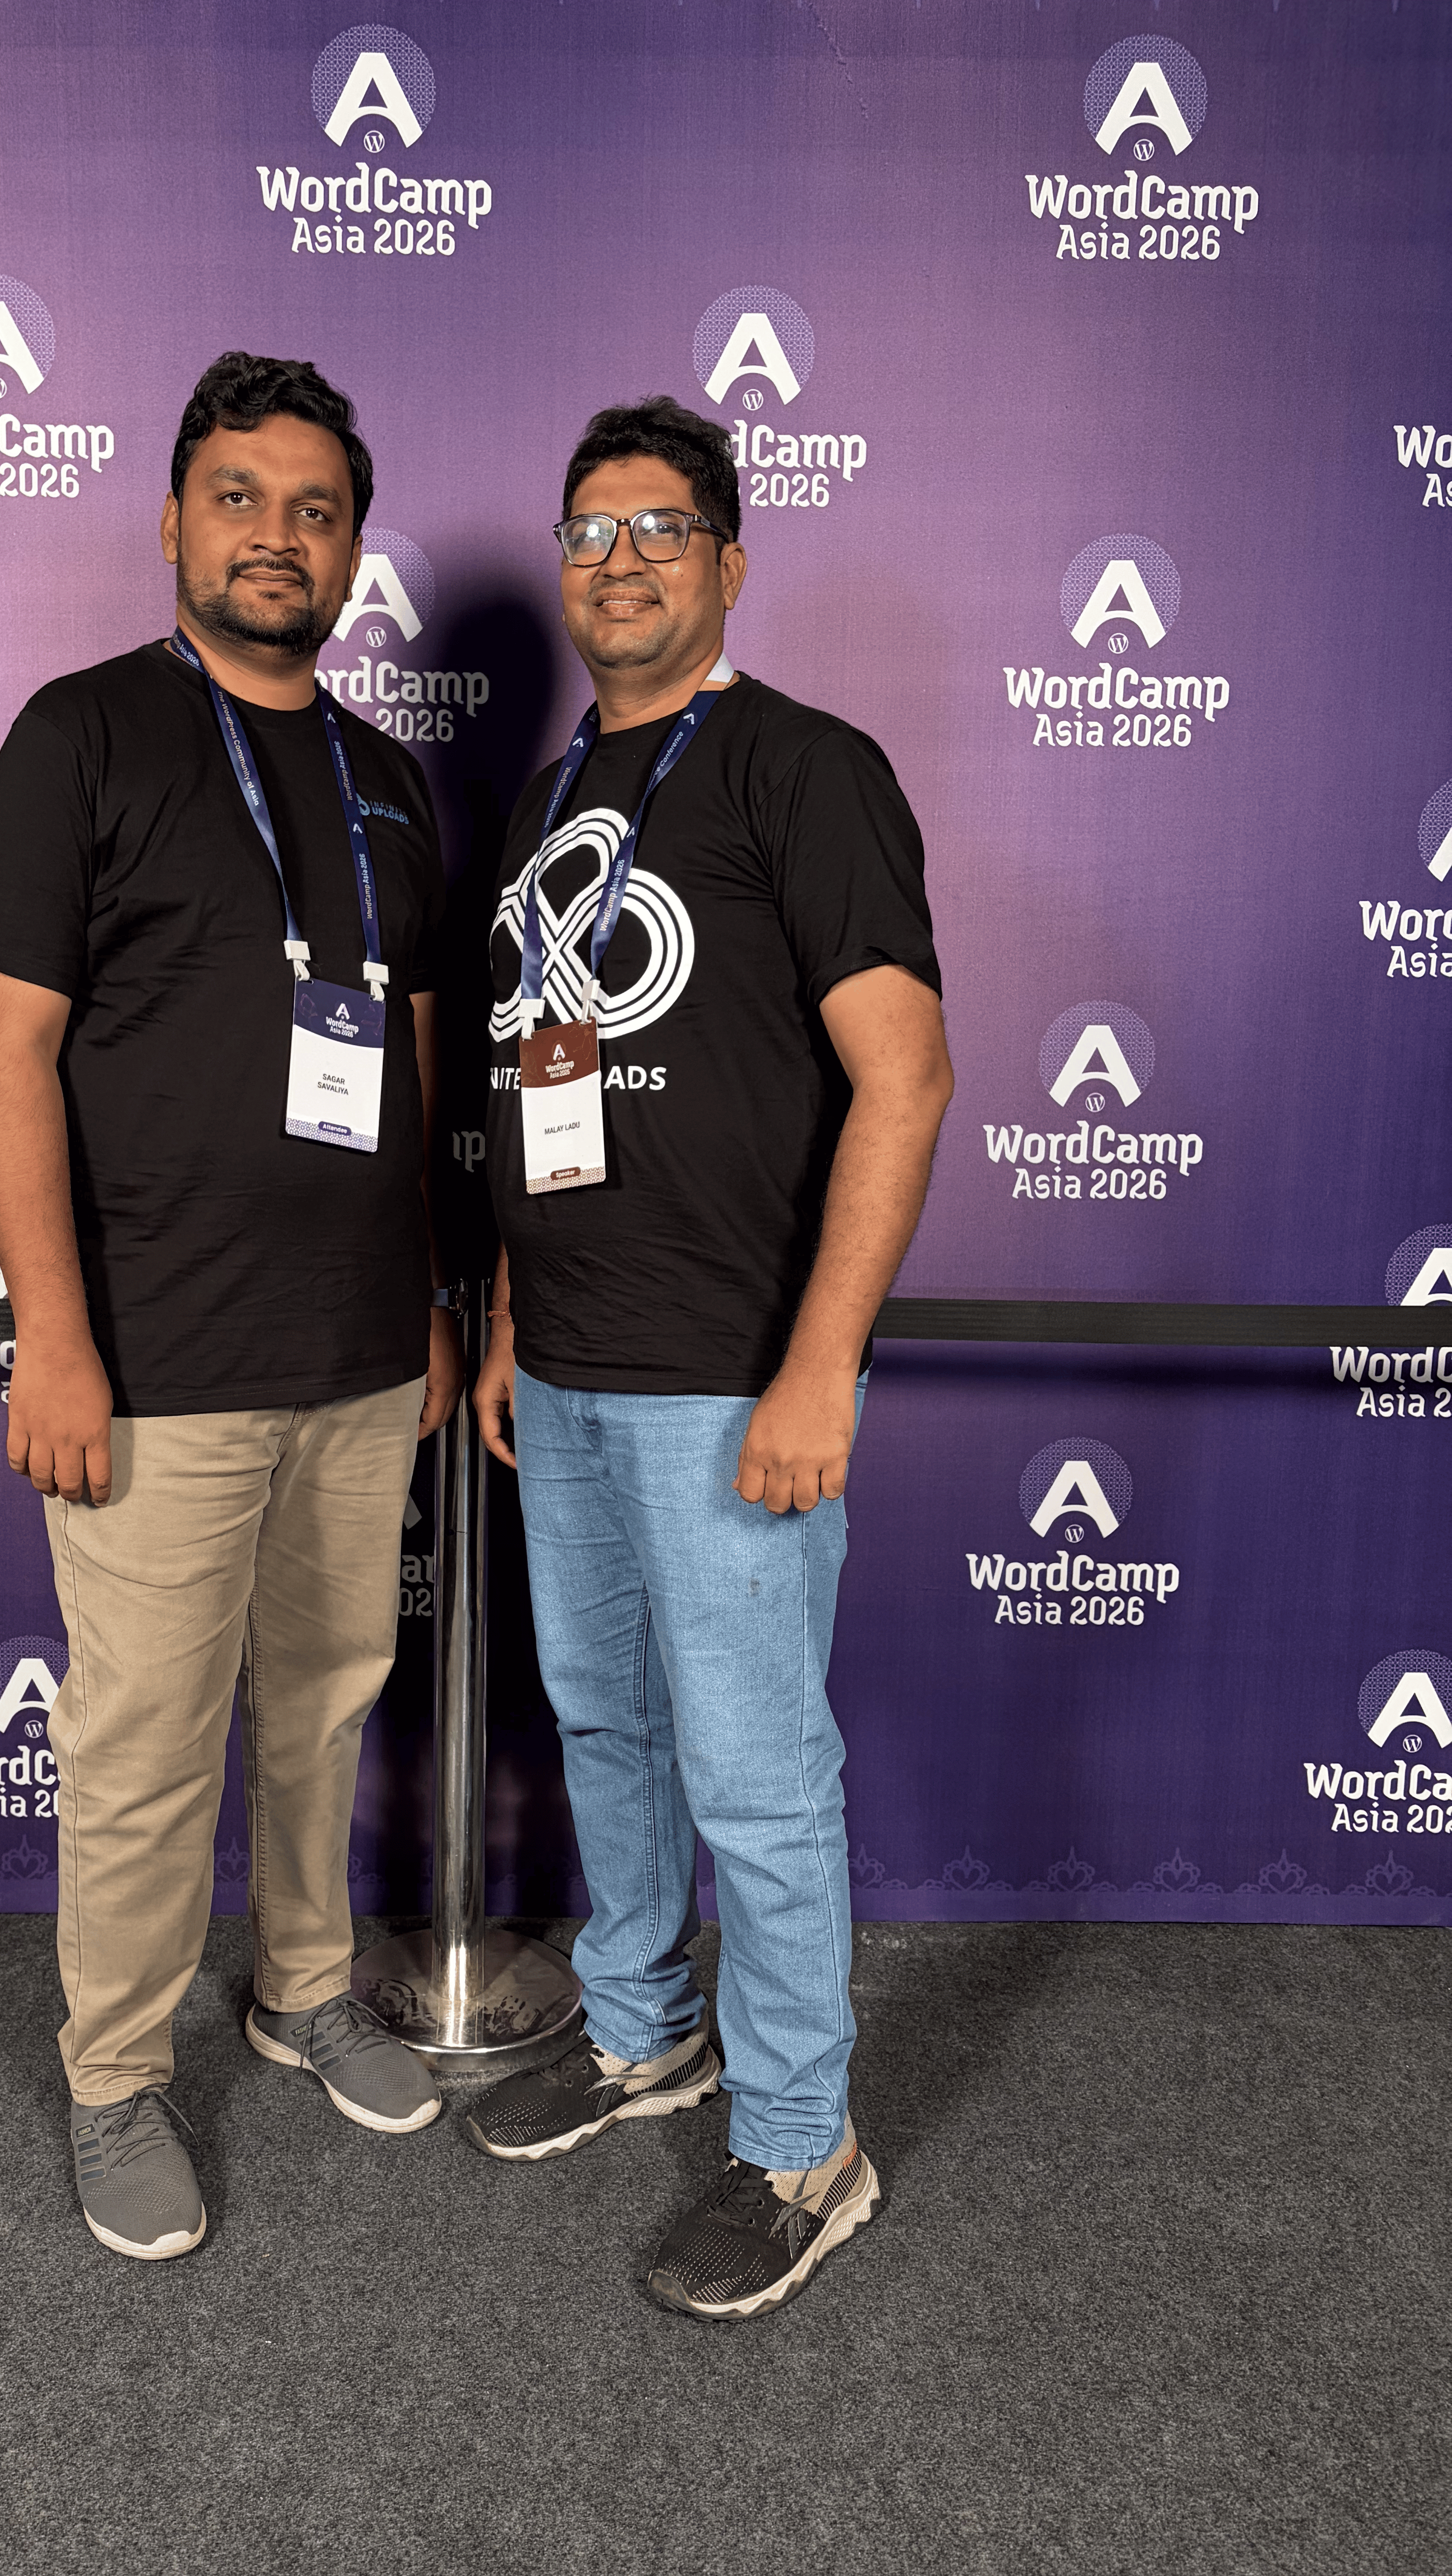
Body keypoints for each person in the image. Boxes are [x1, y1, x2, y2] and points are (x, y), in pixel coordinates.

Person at [0, 351, 463, 2261]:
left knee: (325, 1702)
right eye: (240, 496)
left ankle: (299, 1986)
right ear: (172, 520)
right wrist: (53, 1339)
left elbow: (406, 1057)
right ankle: (113, 2079)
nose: (277, 535)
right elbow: (6, 1055)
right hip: (146, 1357)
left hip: (347, 1349)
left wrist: (421, 1300)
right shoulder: (80, 736)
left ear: (351, 548)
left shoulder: (393, 780)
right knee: (148, 1740)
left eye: (315, 507)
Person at [464, 396, 953, 2320]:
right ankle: (640, 2027)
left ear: (732, 565)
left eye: (663, 527)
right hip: (569, 1372)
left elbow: (903, 1083)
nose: (621, 559)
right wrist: (509, 1317)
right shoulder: (556, 796)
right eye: (590, 530)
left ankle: (803, 2147)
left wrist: (823, 1363)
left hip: (736, 1376)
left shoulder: (803, 771)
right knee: (607, 1728)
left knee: (757, 1775)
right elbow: (532, 1081)